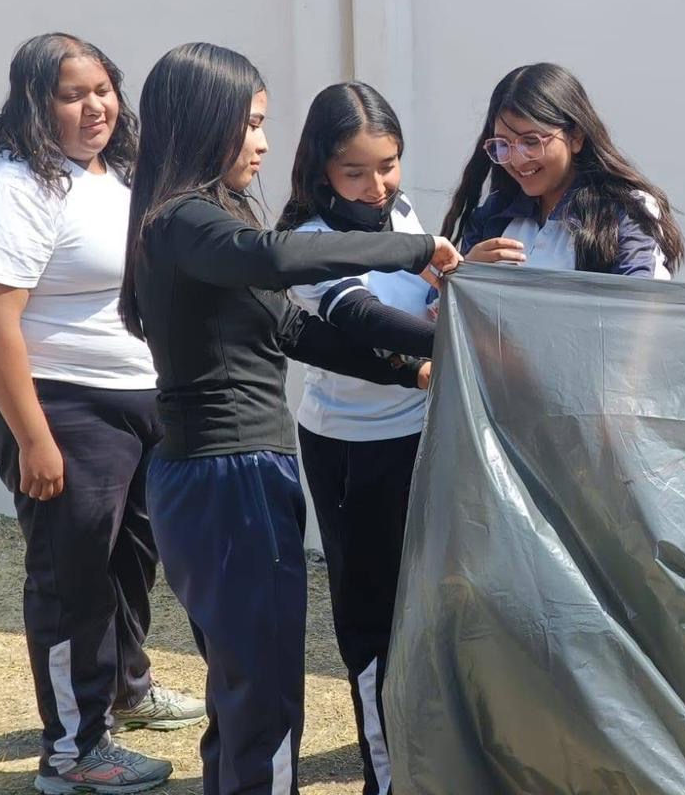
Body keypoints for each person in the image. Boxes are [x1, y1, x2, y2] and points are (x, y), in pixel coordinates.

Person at [118, 43, 460, 795]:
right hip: (226, 474)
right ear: (204, 121)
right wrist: (415, 250)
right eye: (250, 123)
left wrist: (414, 369)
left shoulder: (210, 218)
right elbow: (276, 259)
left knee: (247, 690)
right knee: (264, 696)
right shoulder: (185, 222)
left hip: (235, 473)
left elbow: (294, 330)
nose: (264, 143)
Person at [0, 33, 202, 795]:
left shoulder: (114, 174)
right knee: (71, 577)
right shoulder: (15, 186)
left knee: (131, 563)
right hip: (62, 407)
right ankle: (72, 754)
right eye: (72, 95)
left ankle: (125, 694)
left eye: (102, 89)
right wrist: (33, 438)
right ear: (35, 104)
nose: (95, 106)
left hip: (138, 403)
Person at [276, 82, 435, 795]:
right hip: (354, 449)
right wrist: (455, 343)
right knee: (372, 620)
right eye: (356, 172)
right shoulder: (309, 242)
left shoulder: (400, 212)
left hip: (425, 434)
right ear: (321, 169)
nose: (377, 186)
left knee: (423, 610)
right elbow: (361, 316)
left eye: (389, 165)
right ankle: (387, 778)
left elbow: (424, 293)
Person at [441, 62, 684, 278]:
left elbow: (641, 304)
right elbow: (437, 307)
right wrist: (465, 275)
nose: (516, 160)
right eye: (503, 144)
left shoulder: (625, 211)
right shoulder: (493, 215)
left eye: (531, 141)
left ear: (576, 136)